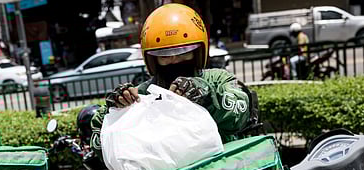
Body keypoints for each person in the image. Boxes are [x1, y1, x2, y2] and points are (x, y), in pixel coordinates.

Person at [90, 3, 254, 159]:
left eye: (183, 52)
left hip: (224, 169)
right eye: (165, 55)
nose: (174, 60)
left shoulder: (217, 79)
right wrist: (114, 113)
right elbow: (102, 147)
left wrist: (207, 96)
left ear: (197, 52)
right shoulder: (142, 94)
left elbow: (239, 115)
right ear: (152, 59)